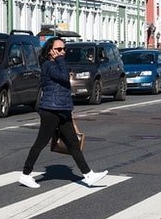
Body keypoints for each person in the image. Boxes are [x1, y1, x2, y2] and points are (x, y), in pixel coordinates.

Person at [18, 37, 108, 189]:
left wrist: (69, 112)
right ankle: (25, 174)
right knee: (41, 142)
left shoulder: (58, 64)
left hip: (62, 109)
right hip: (51, 110)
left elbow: (64, 81)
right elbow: (63, 76)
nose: (62, 52)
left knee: (73, 143)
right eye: (58, 49)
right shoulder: (48, 65)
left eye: (64, 49)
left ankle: (89, 175)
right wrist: (60, 59)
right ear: (50, 51)